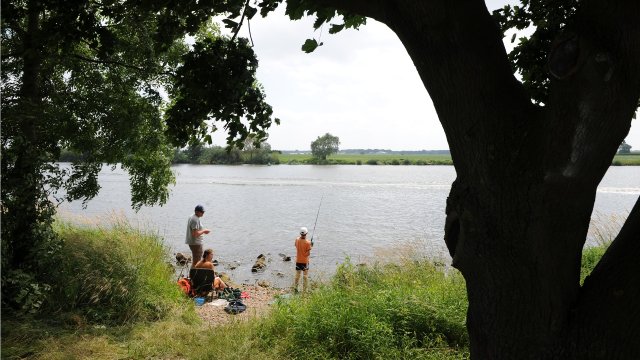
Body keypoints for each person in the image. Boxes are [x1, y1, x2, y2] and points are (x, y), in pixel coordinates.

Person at [293, 226, 313, 293]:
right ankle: (304, 291)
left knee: (297, 275)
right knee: (305, 276)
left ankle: (295, 288)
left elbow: (296, 246)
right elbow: (307, 254)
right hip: (305, 262)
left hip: (298, 261)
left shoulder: (297, 240)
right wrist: (311, 246)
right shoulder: (308, 242)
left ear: (300, 233)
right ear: (306, 234)